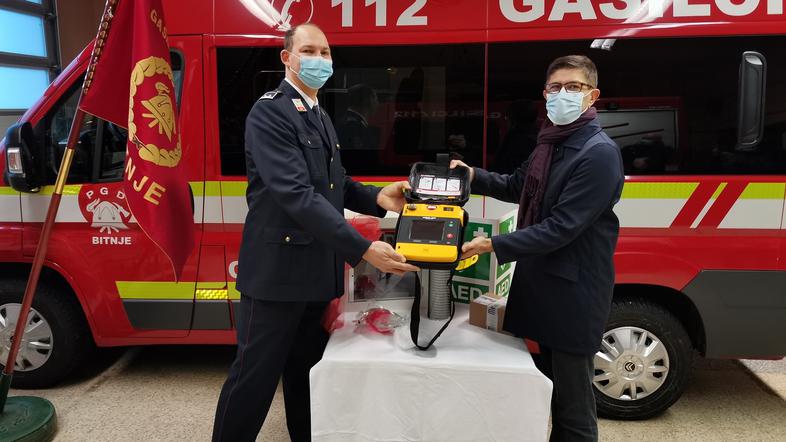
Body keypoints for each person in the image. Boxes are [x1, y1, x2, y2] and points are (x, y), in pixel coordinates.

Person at [212, 23, 418, 442]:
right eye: (309, 51)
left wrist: (380, 197)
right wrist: (362, 248)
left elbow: (334, 185)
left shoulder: (318, 113)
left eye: (325, 53)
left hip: (314, 275)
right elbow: (296, 194)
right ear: (286, 58)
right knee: (253, 380)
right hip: (276, 277)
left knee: (305, 376)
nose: (319, 60)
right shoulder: (270, 112)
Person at [453, 55, 624, 442]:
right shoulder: (550, 143)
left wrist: (491, 244)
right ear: (544, 94)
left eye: (574, 87)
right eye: (555, 87)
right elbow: (518, 185)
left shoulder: (597, 153)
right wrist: (473, 175)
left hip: (574, 295)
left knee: (573, 409)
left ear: (593, 95)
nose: (563, 94)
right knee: (552, 393)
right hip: (546, 285)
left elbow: (562, 227)